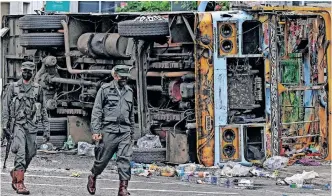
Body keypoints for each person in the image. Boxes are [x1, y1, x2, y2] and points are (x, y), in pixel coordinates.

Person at [2, 61, 50, 195]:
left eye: (30, 71)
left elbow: (44, 109)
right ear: (21, 71)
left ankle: (16, 173)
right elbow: (5, 107)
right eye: (25, 71)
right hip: (18, 125)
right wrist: (4, 125)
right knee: (21, 154)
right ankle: (19, 183)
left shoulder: (37, 89)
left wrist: (47, 129)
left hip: (32, 126)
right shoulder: (13, 87)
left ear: (33, 72)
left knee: (31, 153)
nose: (27, 73)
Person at [87, 65, 135, 196]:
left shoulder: (129, 91)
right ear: (115, 76)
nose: (124, 79)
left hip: (124, 131)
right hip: (109, 130)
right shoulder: (105, 90)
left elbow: (131, 114)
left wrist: (132, 132)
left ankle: (122, 188)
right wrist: (96, 131)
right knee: (102, 159)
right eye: (121, 76)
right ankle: (93, 175)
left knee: (124, 158)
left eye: (126, 77)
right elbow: (96, 111)